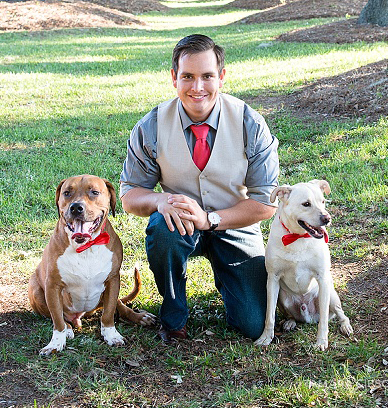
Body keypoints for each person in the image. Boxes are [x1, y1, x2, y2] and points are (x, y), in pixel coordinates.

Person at [119, 34, 279, 343]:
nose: (197, 87)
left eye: (207, 76)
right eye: (187, 77)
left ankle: (230, 276)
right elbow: (129, 195)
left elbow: (266, 203)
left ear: (221, 77)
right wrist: (160, 200)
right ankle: (174, 314)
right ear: (173, 78)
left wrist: (210, 220)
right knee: (162, 230)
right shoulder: (150, 125)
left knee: (252, 324)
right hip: (178, 224)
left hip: (234, 223)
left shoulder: (250, 124)